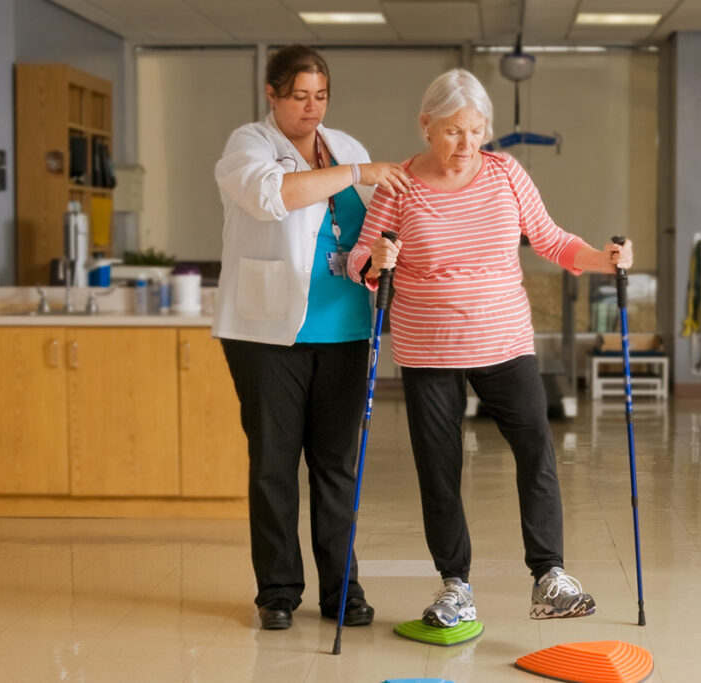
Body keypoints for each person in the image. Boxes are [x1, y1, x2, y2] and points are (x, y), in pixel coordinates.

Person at [348, 68, 631, 628]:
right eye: (454, 131)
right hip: (428, 350)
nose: (467, 145)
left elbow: (549, 237)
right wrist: (374, 265)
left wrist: (604, 259)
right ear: (426, 125)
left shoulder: (506, 172)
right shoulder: (397, 184)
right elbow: (362, 258)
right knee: (439, 468)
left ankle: (550, 576)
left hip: (504, 340)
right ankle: (455, 586)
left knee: (536, 451)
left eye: (477, 131)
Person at [213, 44, 410, 631]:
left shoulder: (345, 146)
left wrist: (380, 255)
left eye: (320, 96)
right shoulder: (248, 145)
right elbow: (271, 197)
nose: (312, 108)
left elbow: (366, 228)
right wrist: (358, 174)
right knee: (274, 464)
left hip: (346, 329)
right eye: (299, 96)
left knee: (336, 465)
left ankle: (342, 591)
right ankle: (277, 593)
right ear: (272, 94)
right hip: (269, 333)